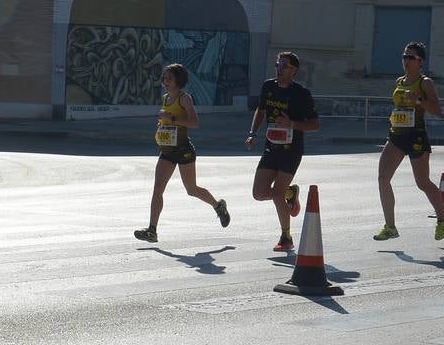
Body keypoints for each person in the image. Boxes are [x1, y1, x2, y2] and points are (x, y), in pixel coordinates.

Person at [133, 63, 229, 243]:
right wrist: (163, 124)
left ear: (178, 80)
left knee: (191, 190)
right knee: (157, 190)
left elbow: (194, 123)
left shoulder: (184, 99)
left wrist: (173, 118)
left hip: (183, 150)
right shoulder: (165, 98)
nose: (165, 81)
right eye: (164, 78)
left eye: (169, 78)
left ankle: (218, 206)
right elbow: (169, 122)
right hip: (167, 150)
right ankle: (152, 230)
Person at [373, 41, 444, 243]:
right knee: (383, 178)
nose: (406, 61)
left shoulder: (425, 82)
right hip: (396, 135)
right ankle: (390, 226)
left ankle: (442, 217)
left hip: (416, 136)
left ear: (420, 62)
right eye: (404, 57)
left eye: (411, 57)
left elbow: (438, 111)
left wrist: (418, 100)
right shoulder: (399, 81)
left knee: (422, 182)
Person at [246, 51, 320, 252]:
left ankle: (286, 237)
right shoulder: (268, 87)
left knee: (276, 193)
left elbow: (314, 124)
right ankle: (290, 192)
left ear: (293, 70)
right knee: (259, 193)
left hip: (291, 149)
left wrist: (292, 123)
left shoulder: (301, 93)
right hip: (271, 146)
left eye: (284, 65)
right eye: (278, 64)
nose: (279, 68)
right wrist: (253, 133)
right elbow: (260, 111)